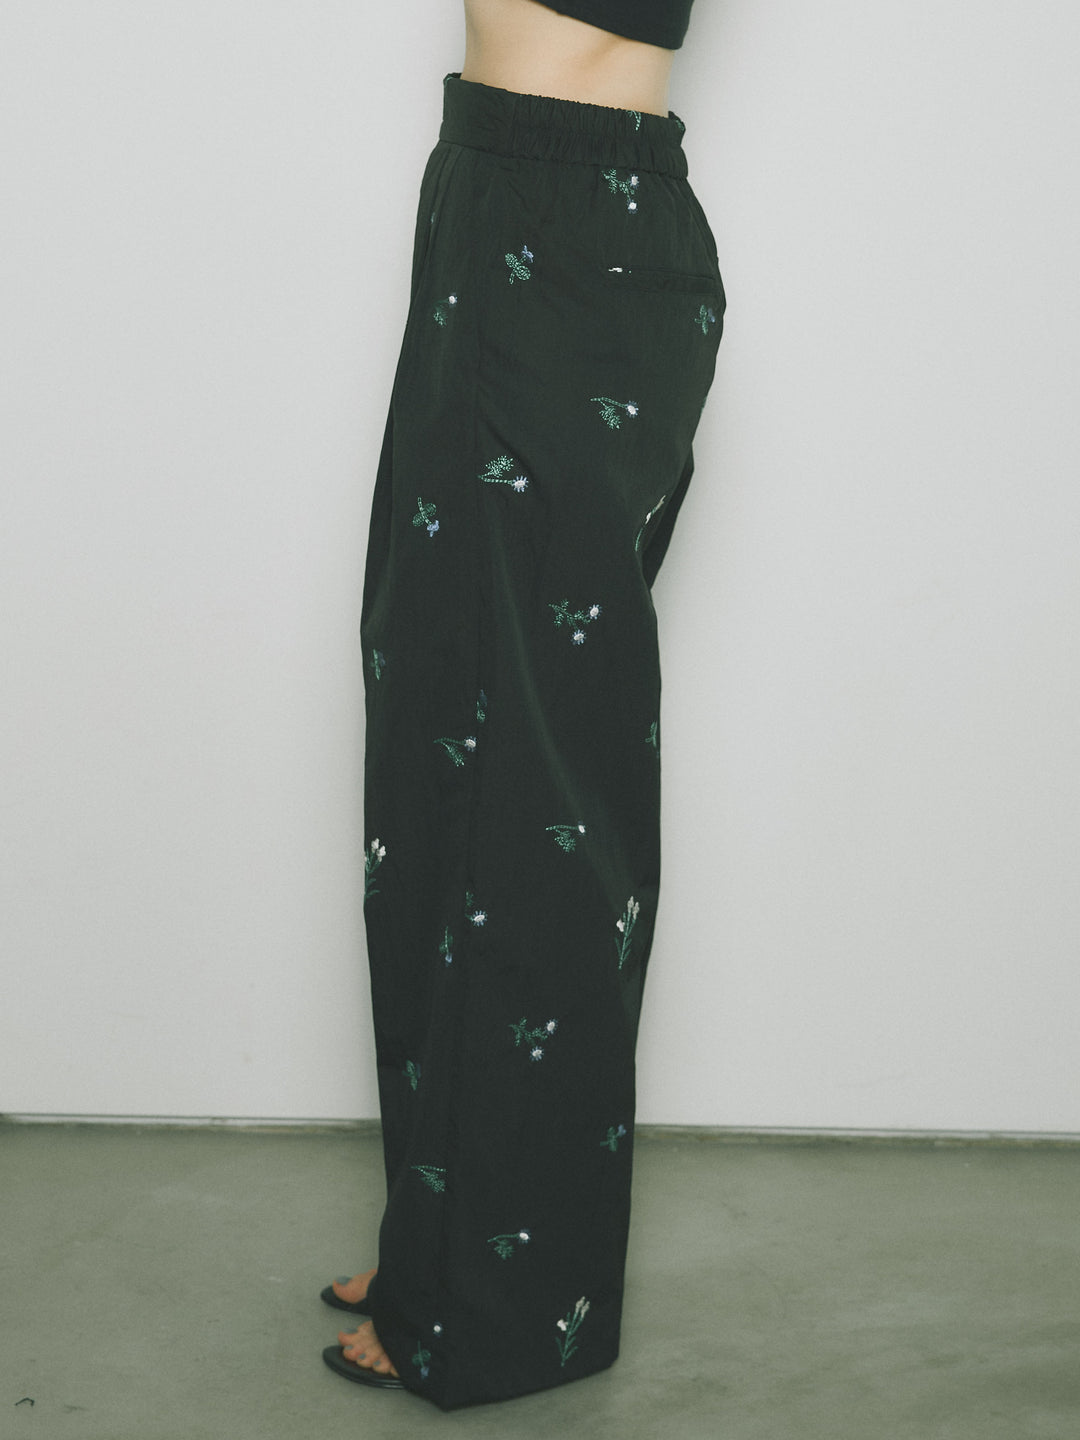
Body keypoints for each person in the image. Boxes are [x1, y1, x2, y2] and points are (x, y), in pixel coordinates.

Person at [321, 0, 723, 1409]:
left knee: (522, 797)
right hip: (509, 205)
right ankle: (444, 1250)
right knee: (447, 752)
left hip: (562, 224)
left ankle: (497, 1309)